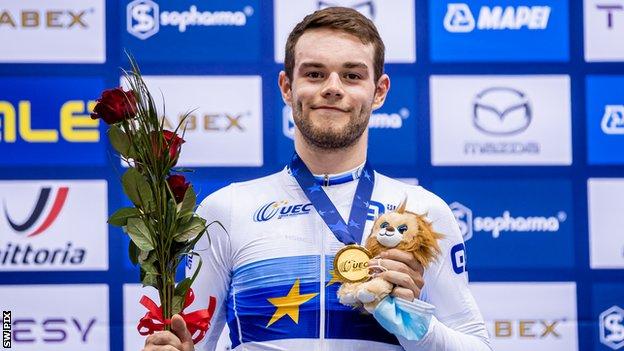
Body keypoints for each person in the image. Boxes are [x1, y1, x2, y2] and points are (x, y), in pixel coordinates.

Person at [143, 7, 492, 351]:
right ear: (286, 86)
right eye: (314, 74)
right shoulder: (227, 209)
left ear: (380, 91)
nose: (333, 88)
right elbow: (190, 343)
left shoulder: (423, 211)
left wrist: (416, 326)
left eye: (352, 76)